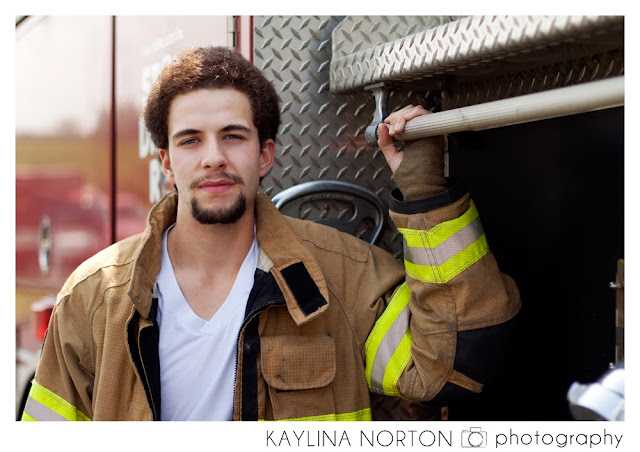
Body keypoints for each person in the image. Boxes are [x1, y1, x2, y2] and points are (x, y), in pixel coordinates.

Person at [21, 46, 520, 421]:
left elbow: (453, 367)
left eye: (233, 136)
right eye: (191, 140)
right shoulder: (94, 297)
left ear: (265, 155)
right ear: (168, 164)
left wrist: (425, 192)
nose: (213, 156)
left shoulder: (343, 279)